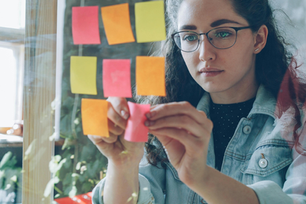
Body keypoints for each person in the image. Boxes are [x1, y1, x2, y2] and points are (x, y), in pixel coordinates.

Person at [89, 0, 306, 203]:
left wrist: (202, 178)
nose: (204, 54)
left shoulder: (299, 121)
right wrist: (122, 164)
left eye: (222, 33)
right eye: (190, 36)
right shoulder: (164, 120)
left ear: (258, 39)